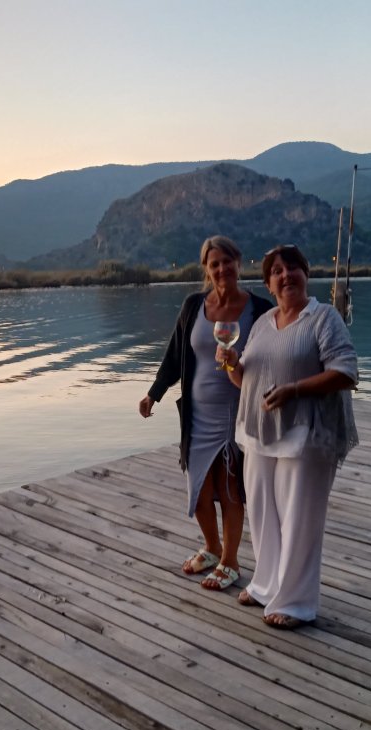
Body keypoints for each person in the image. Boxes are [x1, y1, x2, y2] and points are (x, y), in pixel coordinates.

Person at [217, 244, 358, 629]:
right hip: (259, 434)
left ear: (305, 274)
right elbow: (245, 379)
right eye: (276, 271)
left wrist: (294, 390)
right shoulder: (263, 322)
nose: (285, 275)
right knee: (262, 514)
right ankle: (266, 586)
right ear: (268, 283)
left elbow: (346, 372)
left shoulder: (323, 318)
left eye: (293, 268)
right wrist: (231, 364)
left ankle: (295, 602)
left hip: (306, 434)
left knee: (299, 518)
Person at [140, 235, 273, 590]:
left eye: (227, 261)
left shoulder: (259, 310)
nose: (222, 269)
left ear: (238, 263)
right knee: (197, 487)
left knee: (229, 487)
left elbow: (271, 358)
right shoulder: (193, 306)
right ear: (206, 269)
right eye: (215, 264)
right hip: (196, 415)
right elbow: (174, 356)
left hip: (235, 412)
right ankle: (212, 548)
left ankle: (231, 560)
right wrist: (154, 393)